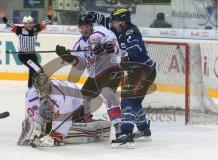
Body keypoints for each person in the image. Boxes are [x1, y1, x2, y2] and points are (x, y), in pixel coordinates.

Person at [55, 14, 134, 148]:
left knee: (108, 96)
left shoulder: (101, 32)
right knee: (82, 98)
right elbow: (80, 65)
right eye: (82, 27)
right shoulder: (80, 43)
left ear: (91, 26)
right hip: (95, 76)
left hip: (110, 69)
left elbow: (116, 47)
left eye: (87, 26)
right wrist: (67, 57)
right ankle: (84, 120)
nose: (85, 29)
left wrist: (106, 47)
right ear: (79, 28)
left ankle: (121, 133)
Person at [88, 8, 156, 143]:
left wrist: (123, 54)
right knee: (135, 102)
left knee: (128, 101)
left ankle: (126, 134)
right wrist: (94, 16)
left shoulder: (132, 32)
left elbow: (136, 48)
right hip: (137, 72)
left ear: (123, 22)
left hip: (143, 71)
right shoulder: (120, 29)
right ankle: (143, 129)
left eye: (115, 22)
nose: (112, 24)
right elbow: (107, 23)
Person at [17, 72, 111, 147]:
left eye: (43, 89)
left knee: (66, 122)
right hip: (56, 103)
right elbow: (32, 113)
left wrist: (57, 134)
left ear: (48, 85)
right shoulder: (31, 93)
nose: (40, 92)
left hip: (77, 103)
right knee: (45, 113)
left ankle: (89, 119)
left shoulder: (60, 95)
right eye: (38, 90)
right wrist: (35, 127)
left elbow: (65, 115)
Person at [0, 7, 53, 88]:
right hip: (23, 56)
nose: (30, 24)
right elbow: (9, 24)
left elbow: (45, 23)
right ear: (24, 24)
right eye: (28, 23)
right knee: (38, 69)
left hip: (32, 55)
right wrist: (3, 18)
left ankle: (31, 86)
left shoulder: (36, 28)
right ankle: (37, 86)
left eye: (31, 22)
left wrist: (49, 16)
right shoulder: (19, 30)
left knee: (33, 69)